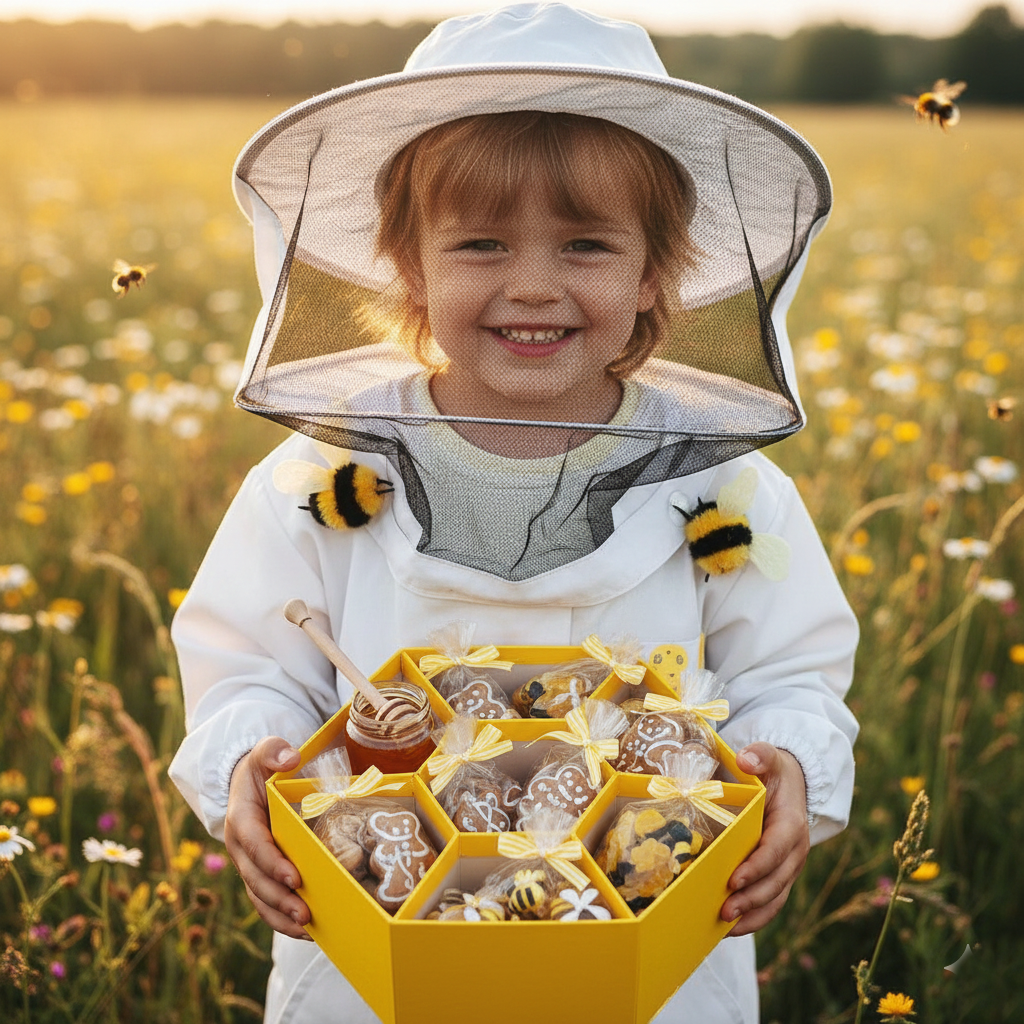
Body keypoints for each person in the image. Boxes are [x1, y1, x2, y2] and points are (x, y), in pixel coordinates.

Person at [168, 5, 858, 1023]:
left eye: (585, 244)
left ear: (653, 272)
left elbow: (786, 671)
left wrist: (790, 761)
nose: (531, 285)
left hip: (647, 938)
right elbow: (250, 667)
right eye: (480, 243)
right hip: (374, 933)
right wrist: (250, 762)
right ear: (409, 266)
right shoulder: (317, 474)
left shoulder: (719, 484)